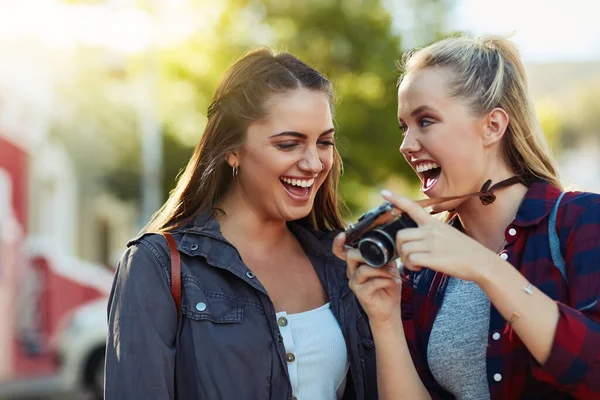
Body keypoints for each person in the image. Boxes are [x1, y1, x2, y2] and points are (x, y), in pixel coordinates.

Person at [334, 35, 600, 399]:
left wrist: (485, 268)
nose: (406, 144)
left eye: (425, 121)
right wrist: (385, 321)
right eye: (404, 127)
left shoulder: (582, 220)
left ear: (492, 126)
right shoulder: (422, 273)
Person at [105, 48, 377, 400]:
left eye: (324, 142)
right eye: (289, 144)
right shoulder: (156, 265)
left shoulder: (342, 263)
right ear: (233, 150)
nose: (313, 163)